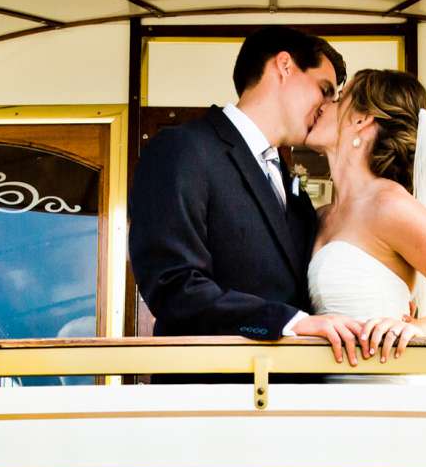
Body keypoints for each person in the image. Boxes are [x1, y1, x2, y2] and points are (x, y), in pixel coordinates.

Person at [127, 27, 368, 360]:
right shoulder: (182, 149)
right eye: (324, 90)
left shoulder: (290, 185)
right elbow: (173, 285)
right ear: (284, 66)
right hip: (215, 395)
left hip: (298, 395)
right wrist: (288, 323)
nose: (327, 107)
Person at [300, 68, 426, 360]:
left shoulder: (390, 205)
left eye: (340, 98)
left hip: (381, 385)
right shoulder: (321, 216)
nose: (325, 104)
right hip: (325, 389)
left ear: (361, 119)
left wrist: (419, 329)